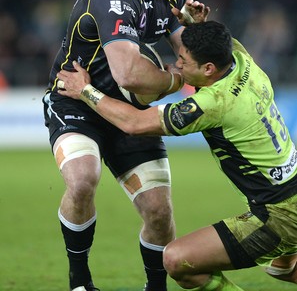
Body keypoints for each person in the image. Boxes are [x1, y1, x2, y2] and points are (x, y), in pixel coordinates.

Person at [57, 20, 297, 291]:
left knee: (177, 260)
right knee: (281, 267)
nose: (177, 65)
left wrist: (85, 91)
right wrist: (193, 19)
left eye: (184, 60)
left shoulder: (213, 103)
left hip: (279, 215)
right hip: (291, 194)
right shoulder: (243, 61)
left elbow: (134, 124)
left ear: (208, 69)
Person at [42, 0, 210, 291]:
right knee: (83, 179)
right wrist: (174, 78)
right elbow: (131, 74)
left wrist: (197, 33)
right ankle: (79, 282)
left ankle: (156, 288)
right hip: (76, 100)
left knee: (159, 209)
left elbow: (193, 56)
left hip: (130, 109)